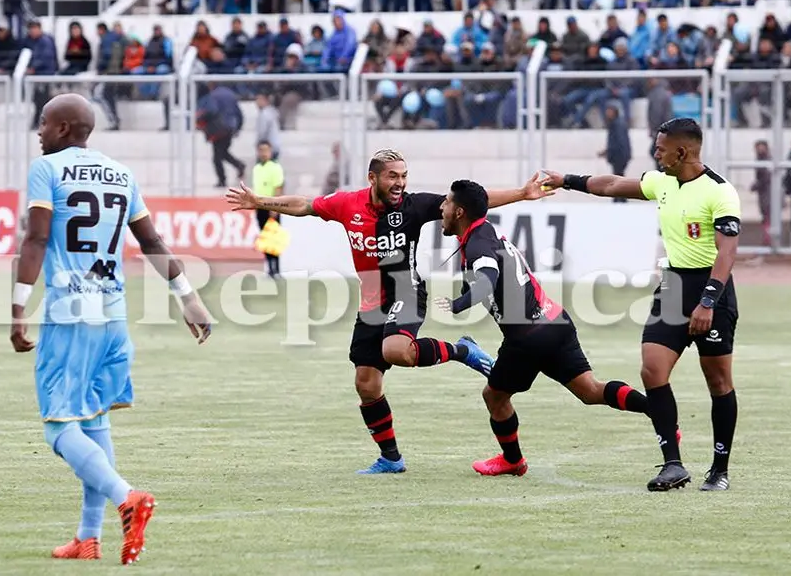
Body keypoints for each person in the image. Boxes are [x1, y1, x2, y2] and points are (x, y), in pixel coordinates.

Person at [225, 148, 551, 474]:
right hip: (370, 302)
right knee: (366, 384)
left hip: (406, 290)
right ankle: (391, 458)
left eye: (404, 176)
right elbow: (306, 205)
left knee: (395, 350)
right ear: (373, 178)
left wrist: (522, 193)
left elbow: (470, 203)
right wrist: (260, 201)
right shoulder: (347, 205)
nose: (400, 183)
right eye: (393, 176)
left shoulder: (416, 205)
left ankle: (461, 351)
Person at [9, 94, 213, 563]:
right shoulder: (121, 173)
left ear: (62, 129)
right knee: (94, 421)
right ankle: (87, 537)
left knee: (59, 429)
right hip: (113, 315)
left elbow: (37, 237)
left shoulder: (47, 169)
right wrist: (189, 297)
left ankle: (127, 497)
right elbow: (151, 240)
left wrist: (17, 308)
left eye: (43, 122)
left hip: (70, 314)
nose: (38, 131)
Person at [541, 117, 742, 492]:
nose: (655, 153)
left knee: (717, 380)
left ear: (682, 151)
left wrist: (707, 302)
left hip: (711, 292)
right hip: (673, 286)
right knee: (652, 370)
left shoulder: (721, 192)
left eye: (660, 148)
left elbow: (727, 253)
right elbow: (613, 184)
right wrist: (565, 179)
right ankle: (673, 464)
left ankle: (720, 469)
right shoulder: (662, 182)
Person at [436, 179, 650, 477]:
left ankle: (513, 460)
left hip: (528, 337)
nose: (441, 207)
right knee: (590, 391)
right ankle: (658, 412)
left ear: (459, 212)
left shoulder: (478, 244)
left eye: (445, 203)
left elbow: (486, 279)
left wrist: (459, 304)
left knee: (494, 397)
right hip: (556, 322)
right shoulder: (484, 231)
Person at [251, 140, 284, 277]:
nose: (263, 153)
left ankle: (276, 268)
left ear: (270, 151)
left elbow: (278, 188)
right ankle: (269, 268)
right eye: (261, 150)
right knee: (265, 238)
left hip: (271, 206)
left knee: (274, 238)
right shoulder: (256, 168)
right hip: (260, 207)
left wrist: (275, 207)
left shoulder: (275, 168)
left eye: (266, 150)